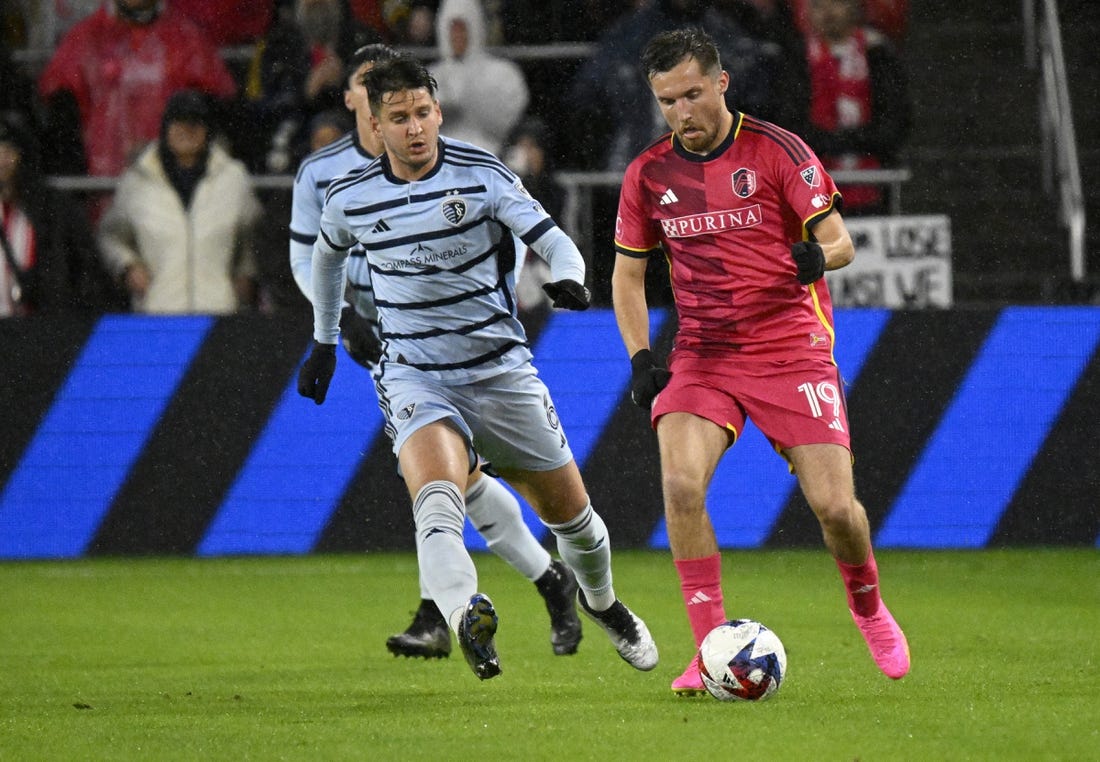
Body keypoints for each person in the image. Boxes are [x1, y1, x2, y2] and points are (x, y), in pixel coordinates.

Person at [296, 55, 658, 680]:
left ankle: (603, 603)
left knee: (576, 520)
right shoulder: (349, 198)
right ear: (376, 128)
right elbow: (326, 261)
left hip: (499, 372)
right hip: (417, 377)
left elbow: (551, 238)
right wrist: (325, 340)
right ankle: (466, 614)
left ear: (437, 112)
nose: (415, 128)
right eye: (399, 118)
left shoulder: (481, 174)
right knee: (436, 499)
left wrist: (570, 275)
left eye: (423, 113)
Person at [610, 28, 909, 696]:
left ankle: (868, 607)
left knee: (836, 509)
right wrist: (638, 358)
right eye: (667, 101)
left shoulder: (777, 151)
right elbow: (628, 278)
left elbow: (841, 242)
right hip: (703, 354)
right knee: (681, 486)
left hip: (789, 349)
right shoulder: (649, 174)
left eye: (692, 94)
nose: (682, 112)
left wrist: (815, 256)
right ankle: (708, 648)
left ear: (721, 83)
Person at [97, 90, 261, 314]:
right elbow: (110, 235)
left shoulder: (233, 178)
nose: (186, 130)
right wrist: (127, 266)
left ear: (207, 130)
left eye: (194, 123)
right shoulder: (137, 181)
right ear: (165, 128)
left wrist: (246, 275)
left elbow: (253, 236)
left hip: (220, 316)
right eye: (178, 122)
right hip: (157, 315)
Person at [37, 0, 237, 178]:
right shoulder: (86, 38)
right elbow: (62, 112)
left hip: (167, 181)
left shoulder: (187, 39)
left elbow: (212, 100)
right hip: (99, 180)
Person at [796, 0, 912, 215]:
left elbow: (893, 122)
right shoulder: (795, 58)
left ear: (855, 8)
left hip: (873, 184)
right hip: (810, 192)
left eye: (836, 3)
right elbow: (789, 121)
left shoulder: (878, 54)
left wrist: (840, 141)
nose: (828, 12)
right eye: (819, 5)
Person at [0, 111, 119, 317]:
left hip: (42, 333)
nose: (2, 159)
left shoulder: (53, 209)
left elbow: (84, 271)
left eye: (8, 150)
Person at [429, 0, 529, 157]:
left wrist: (469, 100)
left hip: (490, 155)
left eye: (462, 29)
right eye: (452, 29)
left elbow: (503, 123)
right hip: (441, 159)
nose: (457, 36)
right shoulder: (429, 77)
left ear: (475, 28)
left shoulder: (502, 73)